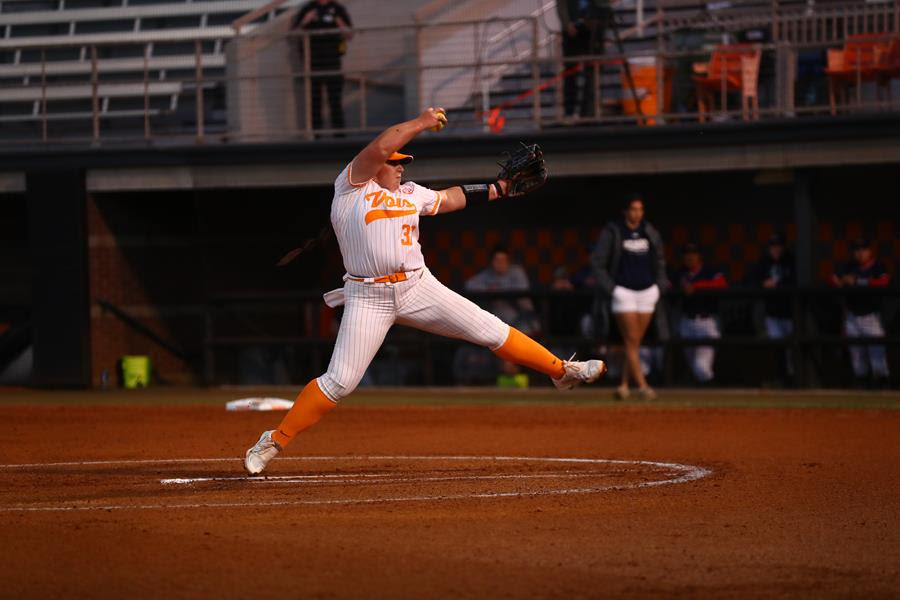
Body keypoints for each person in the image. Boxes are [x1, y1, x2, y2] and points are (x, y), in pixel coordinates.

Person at [244, 108, 607, 474]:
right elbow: (382, 145)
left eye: (403, 162)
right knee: (339, 381)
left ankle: (562, 371)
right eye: (395, 161)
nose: (401, 166)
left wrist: (501, 189)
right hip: (368, 297)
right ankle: (274, 440)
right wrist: (421, 122)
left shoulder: (411, 193)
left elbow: (450, 198)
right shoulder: (351, 187)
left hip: (418, 286)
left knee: (490, 328)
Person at [592, 194, 668, 400]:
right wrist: (612, 289)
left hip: (647, 292)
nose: (637, 213)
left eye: (640, 209)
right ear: (625, 211)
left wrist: (658, 287)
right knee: (631, 339)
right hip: (623, 292)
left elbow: (660, 261)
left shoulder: (649, 231)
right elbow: (598, 263)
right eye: (633, 209)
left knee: (633, 342)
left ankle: (624, 385)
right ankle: (643, 386)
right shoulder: (614, 231)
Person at [831, 238, 891, 388]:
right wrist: (842, 281)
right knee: (857, 357)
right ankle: (862, 388)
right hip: (852, 316)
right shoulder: (849, 266)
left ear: (869, 251)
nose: (860, 253)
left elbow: (884, 282)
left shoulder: (878, 266)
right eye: (857, 250)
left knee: (877, 354)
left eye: (863, 249)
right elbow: (832, 278)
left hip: (871, 316)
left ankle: (882, 386)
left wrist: (858, 282)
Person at [292, 0, 353, 133]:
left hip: (333, 61)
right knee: (314, 102)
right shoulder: (308, 8)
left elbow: (350, 34)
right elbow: (293, 34)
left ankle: (339, 134)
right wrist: (305, 21)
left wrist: (339, 23)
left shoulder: (337, 8)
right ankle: (316, 135)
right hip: (312, 63)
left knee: (335, 100)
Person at [675, 243, 727, 384]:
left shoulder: (709, 271)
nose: (690, 257)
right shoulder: (680, 273)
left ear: (699, 256)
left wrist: (696, 286)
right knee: (693, 368)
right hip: (686, 322)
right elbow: (666, 285)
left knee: (701, 368)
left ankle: (715, 393)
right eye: (686, 254)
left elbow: (722, 284)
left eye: (693, 253)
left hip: (707, 322)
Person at [751, 232, 796, 384]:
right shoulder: (763, 263)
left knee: (792, 349)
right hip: (772, 313)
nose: (775, 250)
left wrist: (778, 285)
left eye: (778, 246)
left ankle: (794, 379)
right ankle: (782, 378)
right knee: (777, 347)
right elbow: (752, 281)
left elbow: (798, 281)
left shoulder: (792, 261)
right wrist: (763, 284)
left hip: (792, 313)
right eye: (773, 246)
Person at [556, 0, 611, 121]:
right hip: (573, 29)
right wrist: (567, 24)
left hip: (593, 27)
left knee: (592, 71)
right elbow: (561, 5)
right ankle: (569, 111)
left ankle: (588, 111)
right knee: (570, 72)